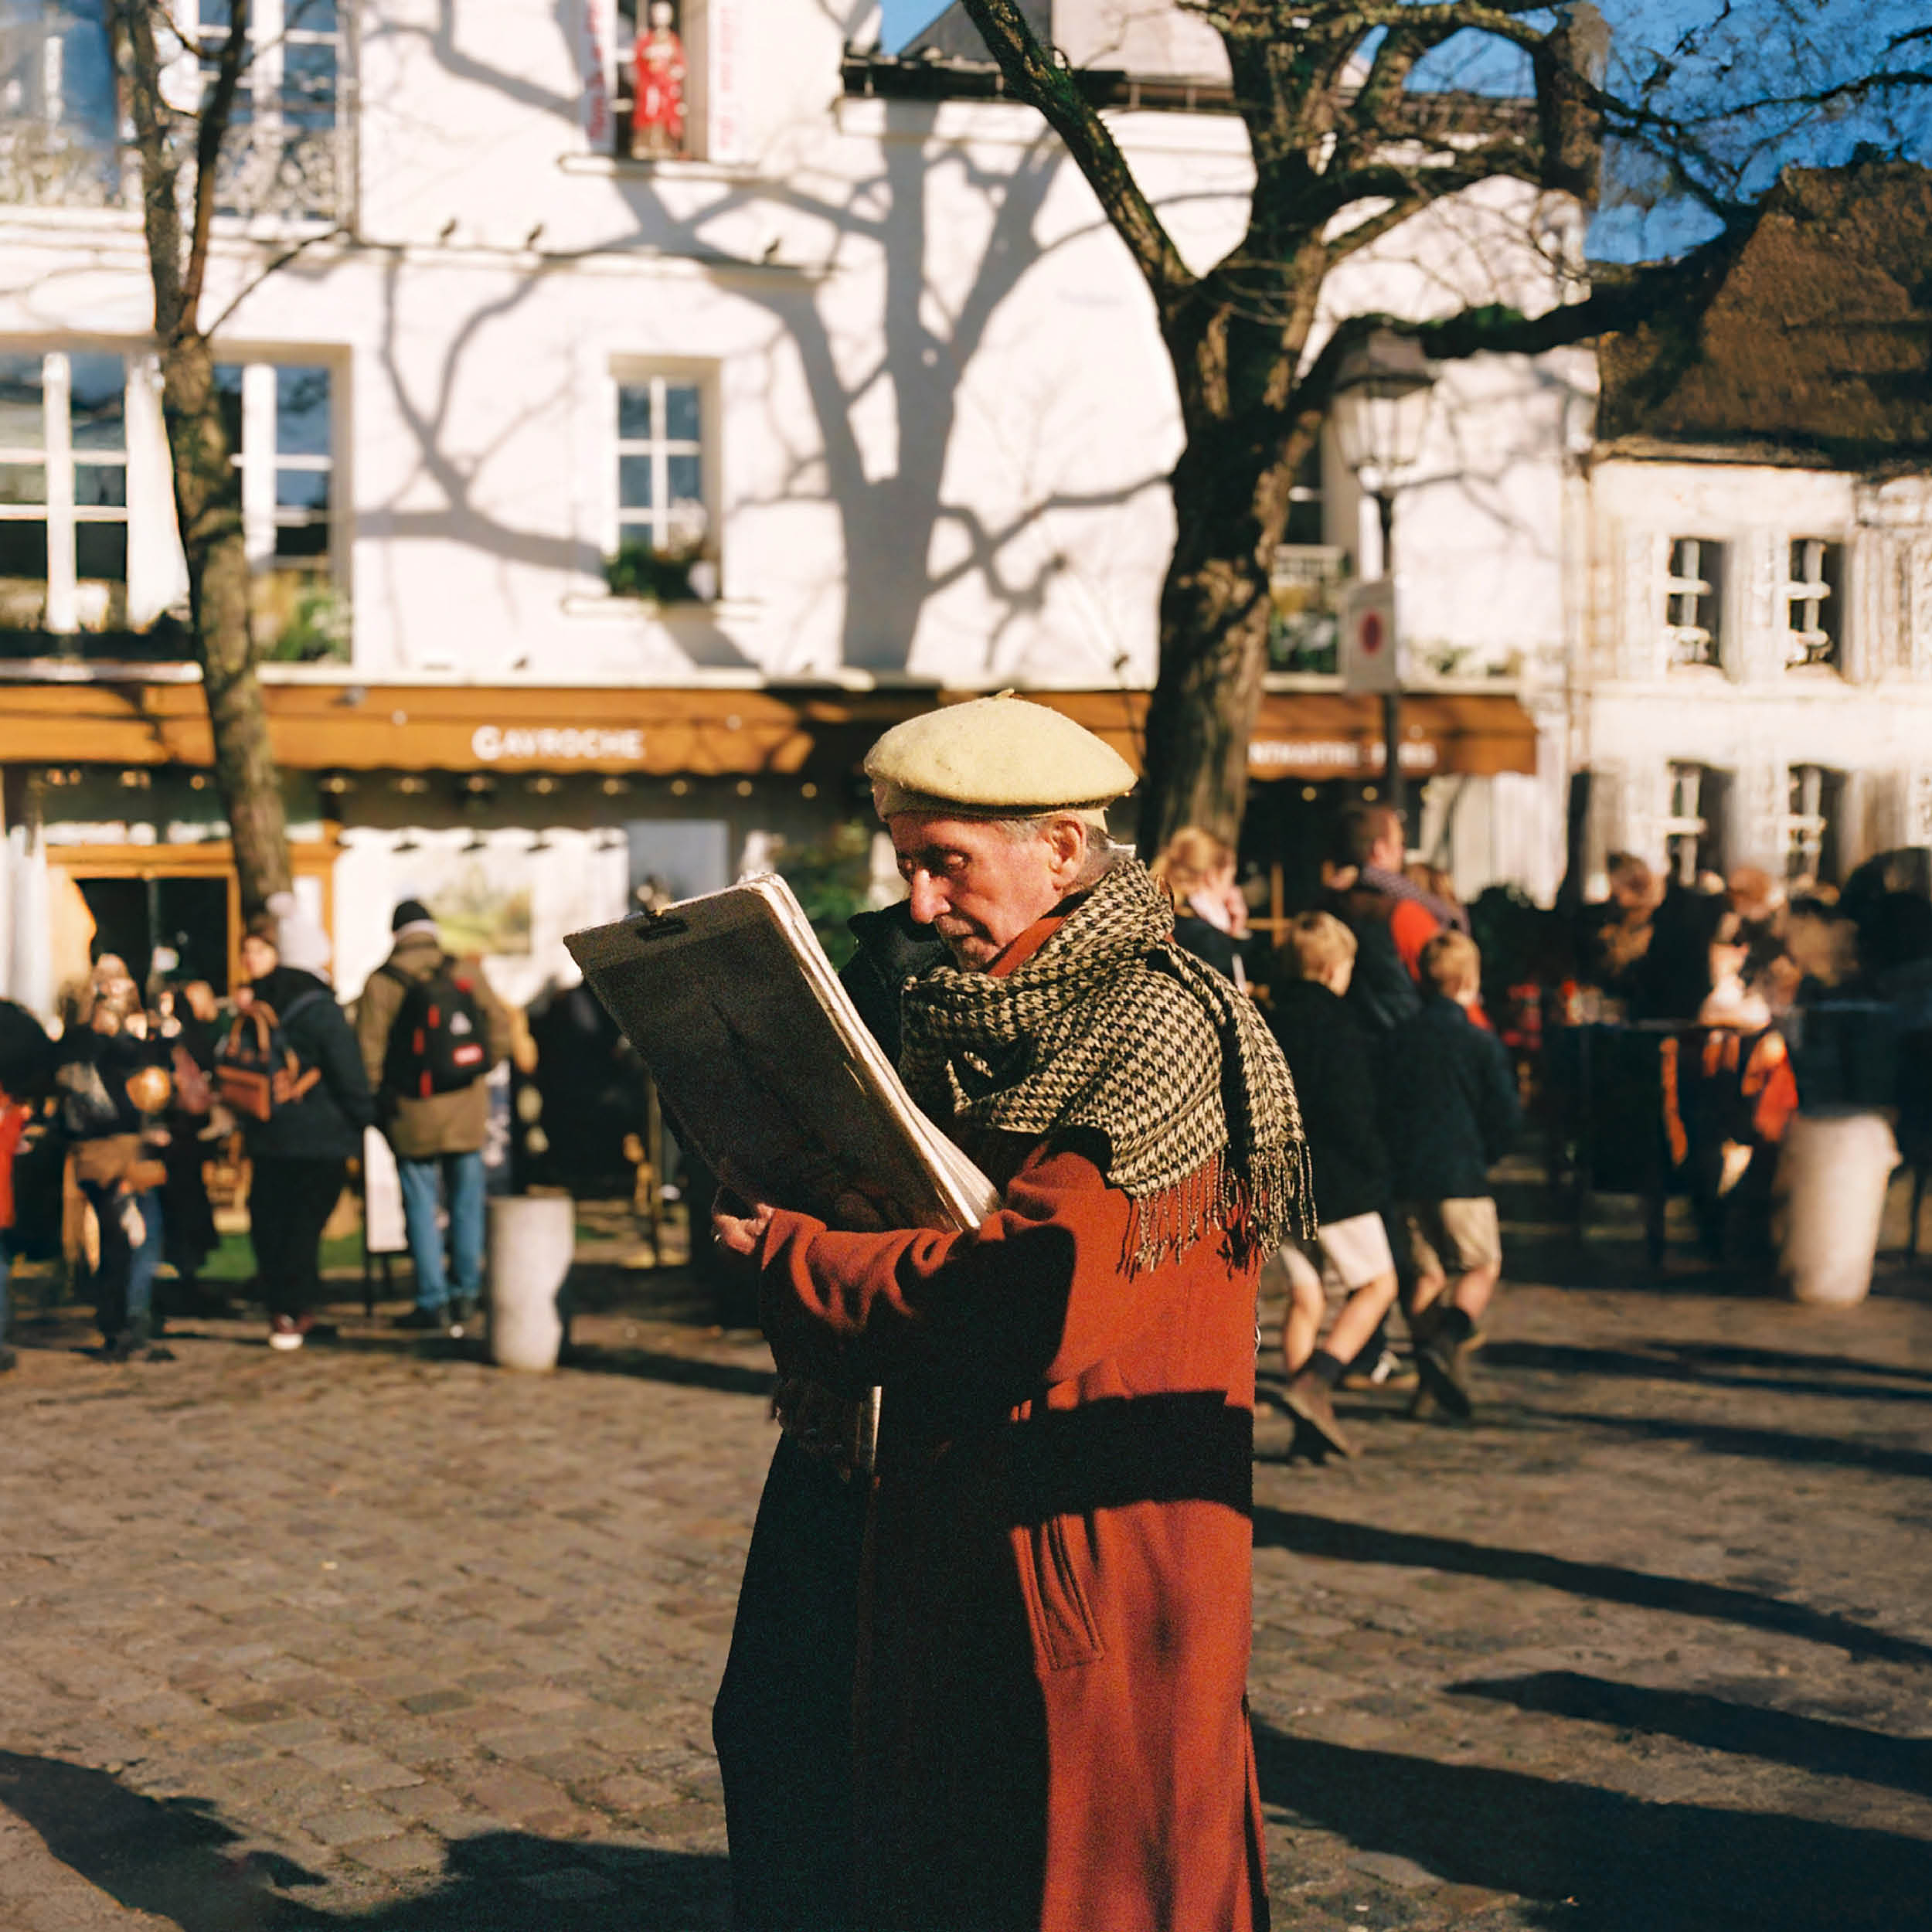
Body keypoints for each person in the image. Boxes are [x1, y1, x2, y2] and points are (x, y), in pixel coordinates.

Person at [712, 692, 1308, 1931]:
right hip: (979, 1516)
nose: (921, 901)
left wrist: (799, 1257)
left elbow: (1029, 1300)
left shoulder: (1152, 1025)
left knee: (1093, 1862)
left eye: (949, 864)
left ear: (1062, 848)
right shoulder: (984, 1008)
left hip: (1087, 1543)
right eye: (906, 864)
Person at [1263, 910, 1400, 1458]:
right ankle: (1315, 1383)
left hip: (1280, 1181)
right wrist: (1377, 1168)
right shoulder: (1341, 1026)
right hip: (1338, 1181)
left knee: (1307, 1298)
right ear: (1333, 968)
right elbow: (1352, 1111)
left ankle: (1306, 1432)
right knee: (1378, 1285)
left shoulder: (1267, 1020)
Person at [1380, 929, 1521, 1420]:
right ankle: (1447, 1341)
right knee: (1481, 1266)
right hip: (1461, 1172)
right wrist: (1488, 1156)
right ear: (1469, 980)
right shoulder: (1479, 1043)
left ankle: (1430, 1384)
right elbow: (1506, 1115)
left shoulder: (1397, 1040)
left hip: (1408, 1175)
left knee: (1427, 1274)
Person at [357, 900, 513, 1334]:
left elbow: (368, 1052)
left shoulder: (381, 982)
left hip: (411, 1111)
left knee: (420, 1205)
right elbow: (500, 1030)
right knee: (466, 1203)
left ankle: (432, 1300)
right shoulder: (464, 970)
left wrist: (381, 1099)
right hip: (466, 1107)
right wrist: (475, 1071)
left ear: (396, 934)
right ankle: (467, 1293)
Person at [233, 901, 376, 1350]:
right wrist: (366, 1117)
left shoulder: (260, 1002)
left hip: (266, 1128)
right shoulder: (320, 1008)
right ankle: (295, 1312)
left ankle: (282, 1309)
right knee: (303, 1226)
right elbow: (348, 1072)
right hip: (319, 1135)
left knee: (272, 1219)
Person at [54, 978, 170, 1360]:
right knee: (124, 1238)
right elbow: (126, 1101)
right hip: (113, 1154)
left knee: (121, 1236)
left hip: (98, 1154)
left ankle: (122, 1319)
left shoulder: (76, 1050)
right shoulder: (105, 1051)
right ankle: (122, 1321)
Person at [1148, 825, 1249, 985]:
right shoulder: (1208, 939)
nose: (1233, 890)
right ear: (1212, 877)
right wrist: (1229, 936)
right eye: (1230, 879)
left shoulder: (1152, 913)